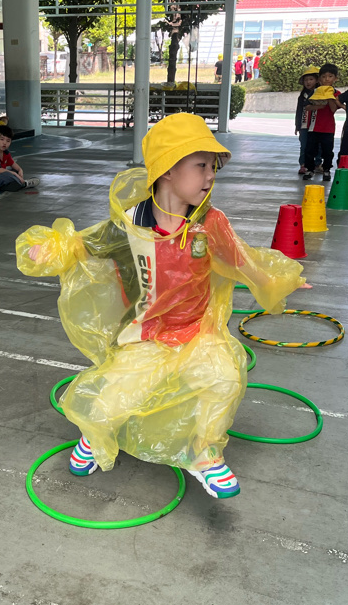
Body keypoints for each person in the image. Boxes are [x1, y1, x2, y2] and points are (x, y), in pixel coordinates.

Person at [16, 113, 308, 499]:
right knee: (107, 405)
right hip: (145, 336)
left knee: (224, 379)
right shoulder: (130, 223)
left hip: (197, 333)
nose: (210, 176)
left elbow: (243, 262)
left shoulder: (210, 223)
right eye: (201, 165)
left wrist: (279, 280)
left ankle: (204, 454)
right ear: (168, 170)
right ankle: (94, 437)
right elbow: (85, 245)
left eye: (213, 167)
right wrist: (50, 250)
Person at [302, 63, 345, 181]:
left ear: (335, 78)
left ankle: (326, 170)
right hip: (313, 127)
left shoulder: (336, 93)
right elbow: (307, 107)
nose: (327, 79)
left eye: (330, 76)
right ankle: (309, 169)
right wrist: (319, 105)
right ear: (319, 79)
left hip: (328, 128)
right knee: (310, 150)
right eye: (324, 77)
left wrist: (329, 97)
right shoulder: (315, 91)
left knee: (327, 151)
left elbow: (333, 109)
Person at [0, 125, 39, 191]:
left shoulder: (5, 153)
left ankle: (11, 185)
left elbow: (12, 163)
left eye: (8, 141)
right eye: (2, 139)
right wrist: (15, 175)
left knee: (14, 170)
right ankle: (24, 184)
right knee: (8, 174)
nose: (4, 143)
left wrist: (20, 170)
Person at [295, 66, 322, 176]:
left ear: (317, 80)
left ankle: (317, 164)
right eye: (306, 80)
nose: (308, 82)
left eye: (311, 79)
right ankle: (303, 164)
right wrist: (297, 125)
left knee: (318, 146)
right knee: (304, 145)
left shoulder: (320, 94)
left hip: (317, 125)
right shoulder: (302, 96)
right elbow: (299, 111)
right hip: (304, 125)